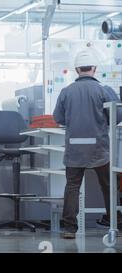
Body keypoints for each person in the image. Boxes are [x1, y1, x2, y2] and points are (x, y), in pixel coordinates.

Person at [53, 50, 122, 239]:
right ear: (94, 68)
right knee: (108, 185)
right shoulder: (104, 90)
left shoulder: (66, 92)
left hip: (74, 149)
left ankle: (69, 228)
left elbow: (58, 117)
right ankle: (114, 222)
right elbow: (117, 116)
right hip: (99, 149)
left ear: (76, 69)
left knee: (72, 186)